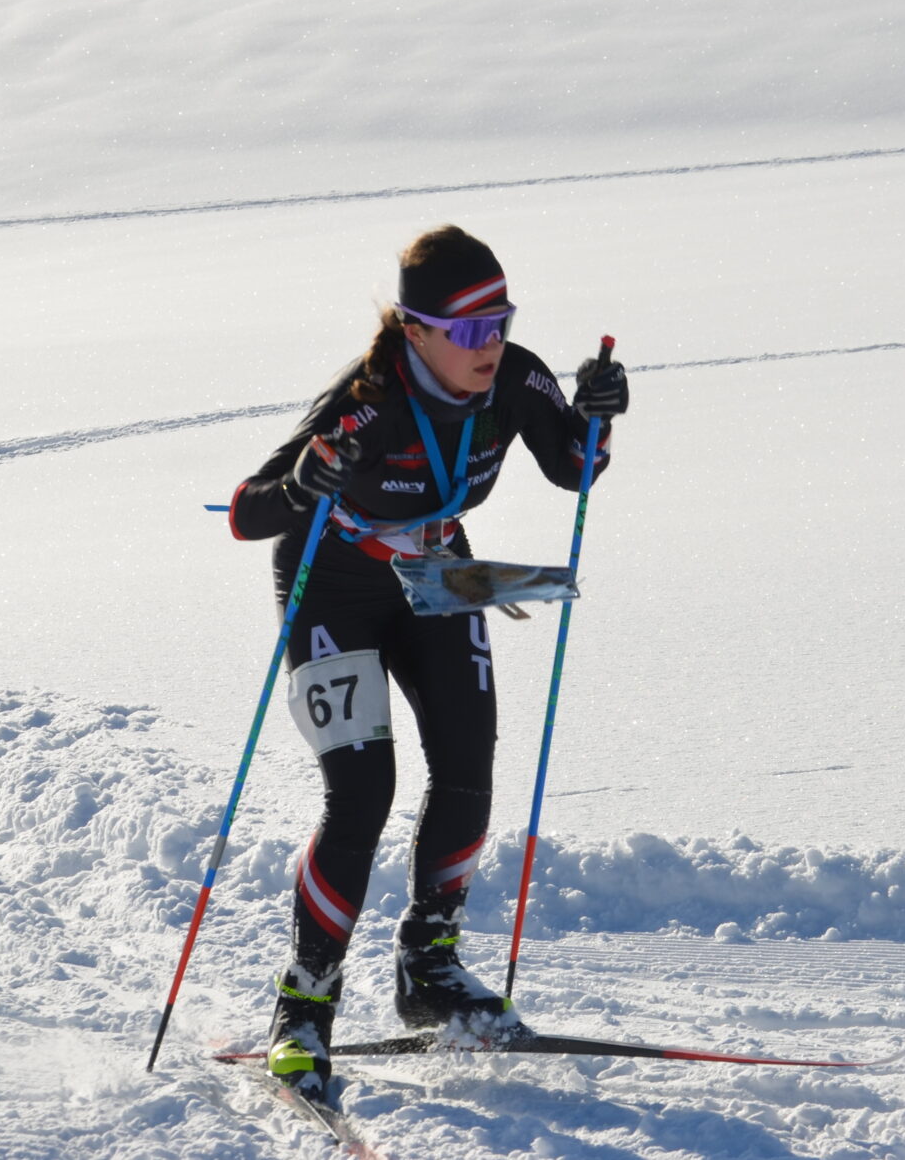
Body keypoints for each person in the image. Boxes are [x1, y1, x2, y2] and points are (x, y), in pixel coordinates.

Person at [225, 224, 629, 1099]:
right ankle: (305, 1002)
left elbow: (572, 467)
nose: (492, 344)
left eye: (502, 321)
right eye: (471, 328)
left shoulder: (513, 378)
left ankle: (428, 969)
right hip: (334, 585)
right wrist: (301, 485)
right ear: (416, 331)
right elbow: (246, 513)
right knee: (362, 790)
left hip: (439, 571)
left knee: (468, 767)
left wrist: (597, 416)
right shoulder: (367, 404)